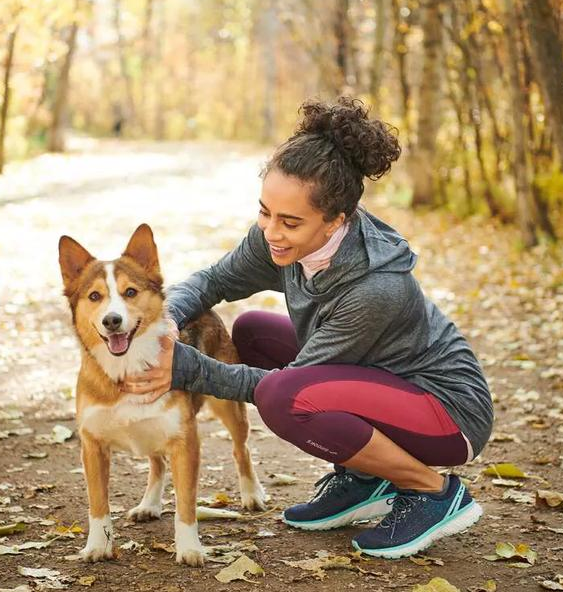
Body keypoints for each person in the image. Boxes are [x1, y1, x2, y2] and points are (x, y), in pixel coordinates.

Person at [122, 97, 494, 559]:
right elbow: (213, 280)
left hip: (446, 410)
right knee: (254, 330)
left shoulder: (375, 287)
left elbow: (292, 384)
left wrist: (185, 368)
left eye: (290, 221)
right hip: (379, 380)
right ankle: (364, 477)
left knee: (283, 399)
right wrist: (168, 320)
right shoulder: (276, 239)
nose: (271, 231)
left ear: (336, 220)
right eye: (265, 213)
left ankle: (433, 493)